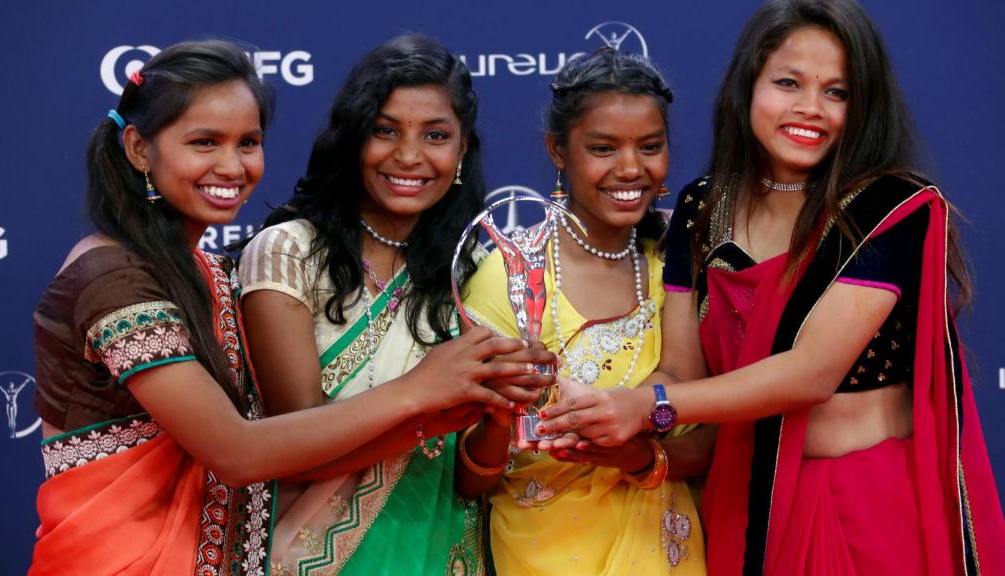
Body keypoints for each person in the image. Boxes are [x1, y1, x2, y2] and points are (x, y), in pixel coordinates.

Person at [30, 39, 537, 576]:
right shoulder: (113, 278)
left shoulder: (202, 270)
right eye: (205, 142)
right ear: (138, 148)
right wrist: (420, 392)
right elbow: (238, 453)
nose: (232, 165)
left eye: (247, 142)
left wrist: (458, 411)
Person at [537, 1, 1005, 574]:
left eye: (837, 91)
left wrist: (646, 407)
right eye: (788, 83)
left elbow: (810, 373)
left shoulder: (890, 209)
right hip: (744, 501)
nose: (811, 108)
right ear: (748, 86)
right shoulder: (701, 209)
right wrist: (594, 405)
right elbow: (682, 372)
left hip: (869, 508)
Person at [238, 35, 554, 576]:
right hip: (314, 558)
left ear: (461, 153)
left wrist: (503, 412)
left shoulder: (473, 266)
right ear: (352, 140)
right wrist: (426, 396)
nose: (409, 156)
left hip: (442, 552)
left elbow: (469, 480)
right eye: (385, 131)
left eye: (435, 135)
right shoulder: (289, 252)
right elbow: (296, 450)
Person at [459, 48, 710, 575]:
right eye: (602, 147)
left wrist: (635, 454)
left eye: (650, 147)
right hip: (540, 553)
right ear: (558, 150)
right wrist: (506, 419)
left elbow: (709, 446)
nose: (630, 168)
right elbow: (470, 476)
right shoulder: (507, 277)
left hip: (664, 548)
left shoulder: (679, 272)